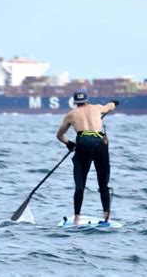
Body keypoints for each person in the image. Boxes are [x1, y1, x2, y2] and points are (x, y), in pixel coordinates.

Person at [56, 88, 119, 225]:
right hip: (100, 145)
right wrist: (114, 102)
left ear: (75, 101)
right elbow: (110, 107)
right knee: (103, 184)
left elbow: (59, 135)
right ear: (87, 99)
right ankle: (106, 216)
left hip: (83, 146)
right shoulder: (97, 108)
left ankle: (77, 218)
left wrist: (69, 143)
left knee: (80, 185)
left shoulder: (71, 115)